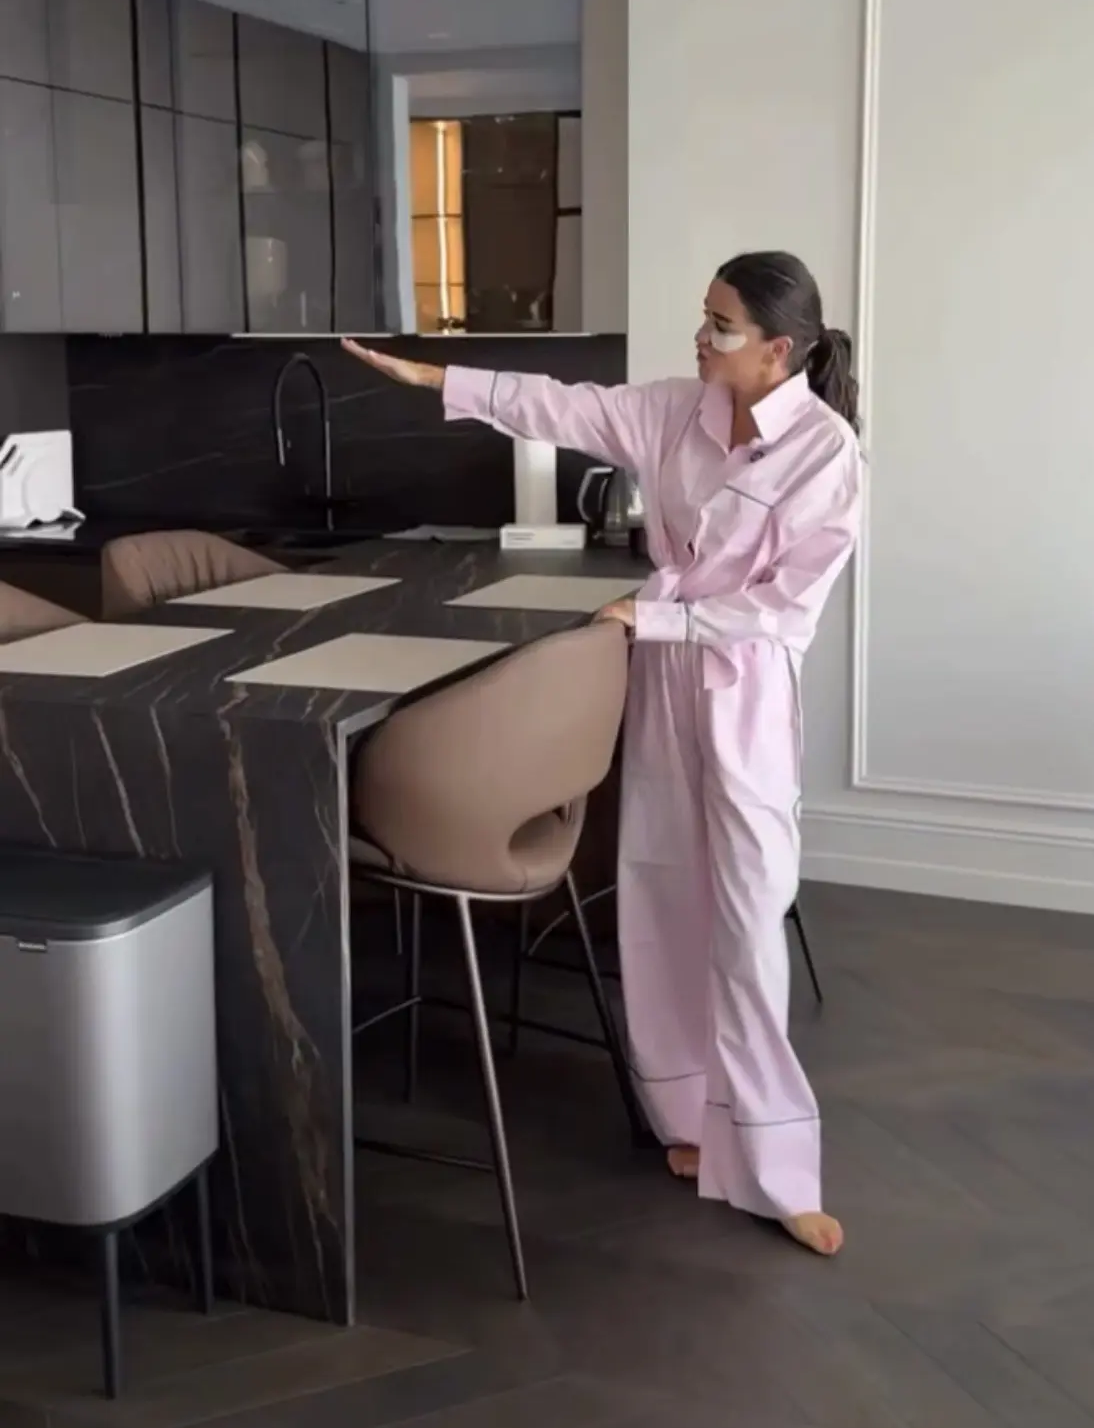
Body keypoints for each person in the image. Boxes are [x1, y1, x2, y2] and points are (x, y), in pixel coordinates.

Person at [342, 250, 862, 1257]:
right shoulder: (674, 411)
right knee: (659, 895)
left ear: (778, 350)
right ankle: (685, 1119)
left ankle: (776, 1165)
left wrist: (650, 615)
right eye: (703, 316)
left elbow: (782, 609)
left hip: (744, 694)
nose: (700, 336)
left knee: (748, 914)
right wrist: (434, 377)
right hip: (663, 685)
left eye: (721, 325)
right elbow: (560, 405)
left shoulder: (825, 451)